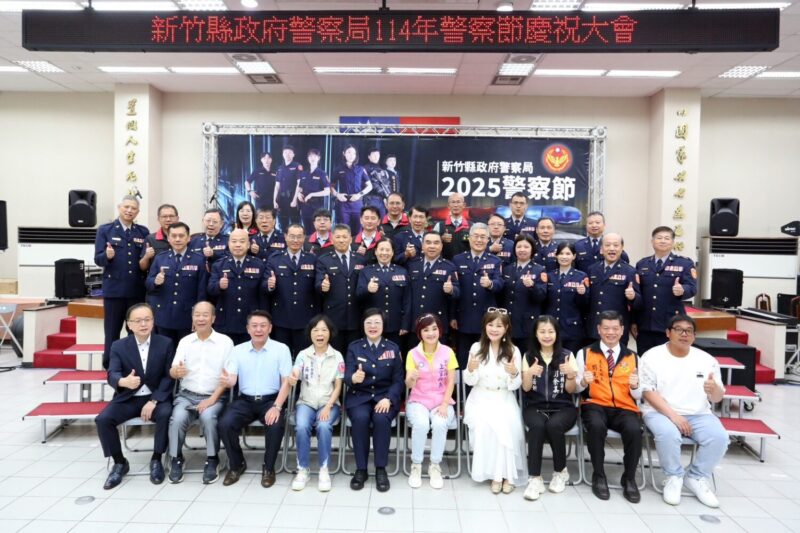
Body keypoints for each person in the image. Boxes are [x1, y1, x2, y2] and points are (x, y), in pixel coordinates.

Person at [640, 315, 727, 508]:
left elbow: (717, 397)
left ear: (694, 336)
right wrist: (674, 416)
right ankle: (673, 476)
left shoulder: (707, 360)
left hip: (699, 413)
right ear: (668, 333)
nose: (684, 334)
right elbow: (647, 392)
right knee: (668, 434)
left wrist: (714, 390)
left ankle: (696, 476)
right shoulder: (652, 356)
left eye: (689, 331)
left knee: (719, 437)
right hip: (659, 411)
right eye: (678, 329)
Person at [95, 303, 174, 489]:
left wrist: (154, 400)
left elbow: (168, 376)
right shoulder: (118, 346)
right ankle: (119, 462)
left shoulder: (165, 343)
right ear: (129, 324)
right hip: (128, 398)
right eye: (138, 321)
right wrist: (123, 381)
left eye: (147, 319)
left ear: (153, 322)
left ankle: (157, 458)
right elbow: (112, 373)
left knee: (165, 413)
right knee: (103, 420)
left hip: (155, 398)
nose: (143, 324)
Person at [218, 310, 292, 488]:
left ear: (270, 328)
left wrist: (277, 406)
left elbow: (287, 382)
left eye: (263, 326)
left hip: (271, 400)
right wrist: (227, 381)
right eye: (254, 326)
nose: (259, 329)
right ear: (248, 328)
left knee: (275, 425)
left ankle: (269, 468)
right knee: (225, 423)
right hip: (245, 400)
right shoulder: (238, 350)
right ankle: (236, 464)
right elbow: (232, 379)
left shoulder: (281, 349)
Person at [575, 310, 642, 503]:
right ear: (599, 329)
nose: (610, 332)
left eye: (615, 328)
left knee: (634, 430)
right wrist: (583, 382)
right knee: (596, 427)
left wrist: (635, 386)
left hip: (624, 407)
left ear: (622, 330)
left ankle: (629, 478)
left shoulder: (633, 357)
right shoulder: (585, 353)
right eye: (606, 328)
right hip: (595, 404)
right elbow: (576, 388)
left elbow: (639, 395)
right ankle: (599, 475)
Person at [167, 302, 233, 485]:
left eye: (205, 315)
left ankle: (212, 459)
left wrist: (211, 400)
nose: (201, 318)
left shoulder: (225, 342)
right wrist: (176, 372)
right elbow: (173, 370)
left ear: (213, 318)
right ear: (192, 318)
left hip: (215, 395)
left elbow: (227, 378)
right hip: (187, 395)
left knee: (208, 417)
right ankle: (176, 458)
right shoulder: (185, 341)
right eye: (197, 315)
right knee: (177, 419)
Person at [463, 309, 526, 494]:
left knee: (507, 424)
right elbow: (469, 381)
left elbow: (515, 385)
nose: (494, 329)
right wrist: (471, 369)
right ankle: (496, 475)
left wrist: (514, 373)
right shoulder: (476, 348)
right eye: (490, 324)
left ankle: (507, 476)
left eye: (499, 325)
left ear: (506, 328)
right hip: (480, 398)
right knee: (485, 425)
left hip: (504, 397)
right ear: (484, 326)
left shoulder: (514, 350)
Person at [345, 309, 404, 492]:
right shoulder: (354, 347)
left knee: (381, 419)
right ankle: (361, 469)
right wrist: (353, 378)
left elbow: (398, 380)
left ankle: (380, 469)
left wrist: (389, 399)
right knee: (360, 419)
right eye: (369, 322)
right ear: (363, 325)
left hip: (384, 397)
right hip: (359, 396)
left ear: (383, 326)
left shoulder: (392, 348)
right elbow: (346, 375)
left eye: (377, 322)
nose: (373, 326)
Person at [520, 315, 578, 501]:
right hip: (535, 406)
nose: (547, 336)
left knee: (554, 425)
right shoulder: (528, 356)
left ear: (557, 333)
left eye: (550, 331)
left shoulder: (567, 356)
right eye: (542, 332)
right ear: (536, 334)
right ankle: (534, 478)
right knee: (537, 426)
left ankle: (560, 472)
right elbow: (526, 388)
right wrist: (529, 373)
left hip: (563, 407)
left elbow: (571, 390)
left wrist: (570, 375)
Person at [287, 315, 344, 492]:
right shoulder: (303, 355)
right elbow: (296, 371)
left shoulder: (337, 356)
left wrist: (328, 406)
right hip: (306, 402)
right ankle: (303, 469)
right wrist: (293, 377)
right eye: (316, 330)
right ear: (310, 333)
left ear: (330, 333)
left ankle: (324, 469)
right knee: (302, 426)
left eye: (324, 330)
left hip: (329, 402)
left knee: (324, 425)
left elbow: (338, 386)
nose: (320, 334)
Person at [94, 195, 150, 369]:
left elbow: (145, 262)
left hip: (136, 291)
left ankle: (134, 365)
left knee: (135, 332)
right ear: (119, 207)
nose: (129, 211)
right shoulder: (105, 230)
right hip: (114, 291)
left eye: (133, 208)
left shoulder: (143, 232)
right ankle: (110, 367)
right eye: (126, 207)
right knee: (112, 331)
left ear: (138, 212)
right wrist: (107, 256)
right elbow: (98, 259)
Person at [405, 314, 457, 490]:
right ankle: (416, 465)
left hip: (442, 400)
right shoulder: (413, 354)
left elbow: (451, 381)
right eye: (426, 330)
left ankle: (435, 465)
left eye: (434, 329)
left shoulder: (448, 352)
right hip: (418, 400)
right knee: (421, 424)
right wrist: (411, 378)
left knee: (440, 423)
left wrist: (444, 404)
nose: (431, 333)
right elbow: (409, 385)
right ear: (420, 333)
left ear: (440, 331)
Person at [634, 226, 698, 356]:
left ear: (673, 243)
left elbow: (692, 288)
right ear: (652, 241)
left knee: (670, 359)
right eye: (659, 238)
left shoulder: (684, 263)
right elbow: (638, 295)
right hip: (645, 324)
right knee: (645, 359)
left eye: (667, 238)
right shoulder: (642, 264)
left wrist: (682, 290)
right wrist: (634, 321)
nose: (663, 241)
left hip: (671, 324)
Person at [145, 222, 208, 348]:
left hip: (187, 317)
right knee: (165, 352)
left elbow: (202, 292)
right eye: (174, 236)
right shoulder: (160, 258)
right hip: (164, 316)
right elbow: (148, 283)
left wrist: (198, 316)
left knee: (187, 353)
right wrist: (155, 282)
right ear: (168, 238)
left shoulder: (199, 259)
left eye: (181, 236)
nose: (177, 239)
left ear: (188, 238)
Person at [452, 223, 504, 368]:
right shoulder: (458, 259)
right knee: (464, 358)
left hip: (487, 319)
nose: (479, 240)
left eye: (483, 237)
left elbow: (500, 283)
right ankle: (464, 383)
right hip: (464, 317)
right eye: (476, 236)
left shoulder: (495, 260)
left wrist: (490, 284)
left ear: (488, 240)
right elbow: (455, 289)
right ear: (469, 238)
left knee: (486, 359)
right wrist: (452, 316)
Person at [207, 229, 269, 345]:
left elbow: (263, 294)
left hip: (250, 321)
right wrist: (219, 285)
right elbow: (210, 289)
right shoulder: (219, 265)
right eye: (234, 241)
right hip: (226, 321)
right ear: (229, 244)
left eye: (242, 241)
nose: (238, 245)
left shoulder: (258, 264)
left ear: (248, 244)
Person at [267, 224, 319, 357]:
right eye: (292, 236)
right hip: (281, 318)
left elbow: (317, 287)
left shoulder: (312, 259)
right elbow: (264, 286)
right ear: (285, 237)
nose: (295, 240)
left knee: (304, 357)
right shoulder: (275, 258)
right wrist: (269, 285)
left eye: (299, 237)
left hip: (305, 318)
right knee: (281, 357)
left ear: (304, 238)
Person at [316, 224, 366, 355]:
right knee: (334, 354)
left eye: (345, 237)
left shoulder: (360, 259)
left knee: (355, 353)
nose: (341, 240)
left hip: (356, 315)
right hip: (334, 316)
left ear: (350, 239)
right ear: (332, 239)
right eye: (338, 237)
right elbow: (318, 283)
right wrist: (322, 286)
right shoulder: (324, 260)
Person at [586, 233, 640, 349]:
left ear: (621, 248)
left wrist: (633, 297)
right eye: (607, 245)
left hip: (616, 330)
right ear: (601, 249)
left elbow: (639, 303)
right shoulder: (592, 269)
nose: (611, 249)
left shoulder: (629, 271)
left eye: (616, 245)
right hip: (594, 328)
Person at [356, 239, 410, 349]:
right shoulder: (366, 271)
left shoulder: (402, 271)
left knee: (395, 354)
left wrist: (405, 324)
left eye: (387, 250)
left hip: (395, 325)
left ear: (392, 252)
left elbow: (407, 300)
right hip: (373, 325)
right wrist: (367, 289)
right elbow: (358, 296)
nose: (384, 253)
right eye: (381, 249)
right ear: (375, 252)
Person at [407, 231, 460, 337]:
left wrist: (451, 290)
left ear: (441, 246)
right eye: (428, 242)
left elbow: (458, 291)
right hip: (415, 323)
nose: (432, 246)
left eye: (436, 243)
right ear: (422, 245)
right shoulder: (412, 265)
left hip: (437, 324)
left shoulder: (449, 266)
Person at [544, 241, 589, 354]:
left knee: (570, 360)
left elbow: (585, 305)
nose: (564, 257)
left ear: (574, 256)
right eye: (561, 253)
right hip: (551, 328)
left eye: (568, 254)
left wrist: (582, 294)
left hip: (572, 329)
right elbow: (543, 300)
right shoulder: (549, 276)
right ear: (556, 256)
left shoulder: (581, 276)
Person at [502, 234, 546, 350]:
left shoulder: (539, 270)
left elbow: (541, 297)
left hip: (527, 324)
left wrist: (532, 286)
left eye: (526, 247)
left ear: (532, 249)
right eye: (519, 246)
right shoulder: (507, 269)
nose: (522, 250)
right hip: (508, 322)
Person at [331, 144, 372, 235]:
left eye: (354, 153)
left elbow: (370, 186)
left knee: (358, 232)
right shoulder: (338, 169)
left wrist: (359, 194)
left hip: (357, 203)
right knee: (343, 232)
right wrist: (337, 194)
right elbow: (331, 186)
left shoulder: (361, 169)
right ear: (344, 153)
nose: (351, 155)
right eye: (349, 152)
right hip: (343, 205)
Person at [295, 148, 330, 231]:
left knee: (317, 230)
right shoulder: (304, 173)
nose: (312, 158)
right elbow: (300, 188)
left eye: (315, 156)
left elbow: (327, 191)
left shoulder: (322, 173)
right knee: (306, 230)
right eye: (310, 156)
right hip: (305, 206)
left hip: (317, 207)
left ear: (319, 158)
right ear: (308, 158)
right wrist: (298, 194)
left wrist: (311, 195)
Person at [139, 204, 178, 273]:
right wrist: (146, 257)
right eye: (164, 216)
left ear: (177, 218)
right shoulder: (150, 239)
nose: (168, 219)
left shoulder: (183, 238)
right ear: (158, 219)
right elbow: (143, 267)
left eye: (171, 216)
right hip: (157, 278)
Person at [432, 193, 471, 260]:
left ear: (464, 205)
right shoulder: (439, 226)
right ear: (448, 206)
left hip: (466, 263)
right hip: (445, 263)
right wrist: (441, 239)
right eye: (453, 202)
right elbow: (432, 244)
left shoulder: (472, 226)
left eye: (458, 202)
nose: (456, 205)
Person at [275, 145, 303, 231]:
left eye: (290, 152)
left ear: (293, 154)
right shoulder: (279, 168)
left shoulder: (297, 166)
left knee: (295, 224)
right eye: (285, 152)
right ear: (282, 154)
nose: (287, 154)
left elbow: (299, 183)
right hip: (282, 199)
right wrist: (274, 200)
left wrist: (294, 200)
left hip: (292, 198)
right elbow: (277, 186)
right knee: (283, 224)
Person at [363, 147, 392, 218]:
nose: (376, 157)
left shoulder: (381, 169)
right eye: (374, 155)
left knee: (382, 221)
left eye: (377, 155)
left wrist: (386, 197)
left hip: (381, 200)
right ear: (369, 156)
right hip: (370, 198)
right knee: (371, 220)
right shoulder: (365, 168)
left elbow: (386, 184)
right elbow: (370, 184)